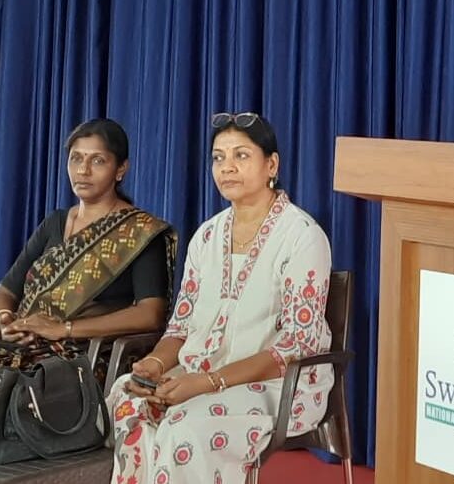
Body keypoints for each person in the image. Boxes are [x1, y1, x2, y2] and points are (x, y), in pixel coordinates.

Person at [108, 112, 333, 484]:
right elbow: (181, 327)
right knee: (129, 399)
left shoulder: (302, 236)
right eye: (218, 157)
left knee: (184, 426)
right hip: (198, 374)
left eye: (241, 155)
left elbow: (297, 345)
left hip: (280, 385)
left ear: (271, 165)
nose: (227, 167)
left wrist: (208, 383)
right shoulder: (207, 236)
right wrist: (155, 365)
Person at [0, 118, 177, 422]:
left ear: (121, 169)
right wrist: (5, 320)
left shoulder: (141, 233)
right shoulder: (55, 223)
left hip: (82, 355)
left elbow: (150, 314)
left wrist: (64, 329)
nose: (83, 170)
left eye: (97, 161)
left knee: (10, 399)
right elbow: (5, 290)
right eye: (76, 158)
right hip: (22, 347)